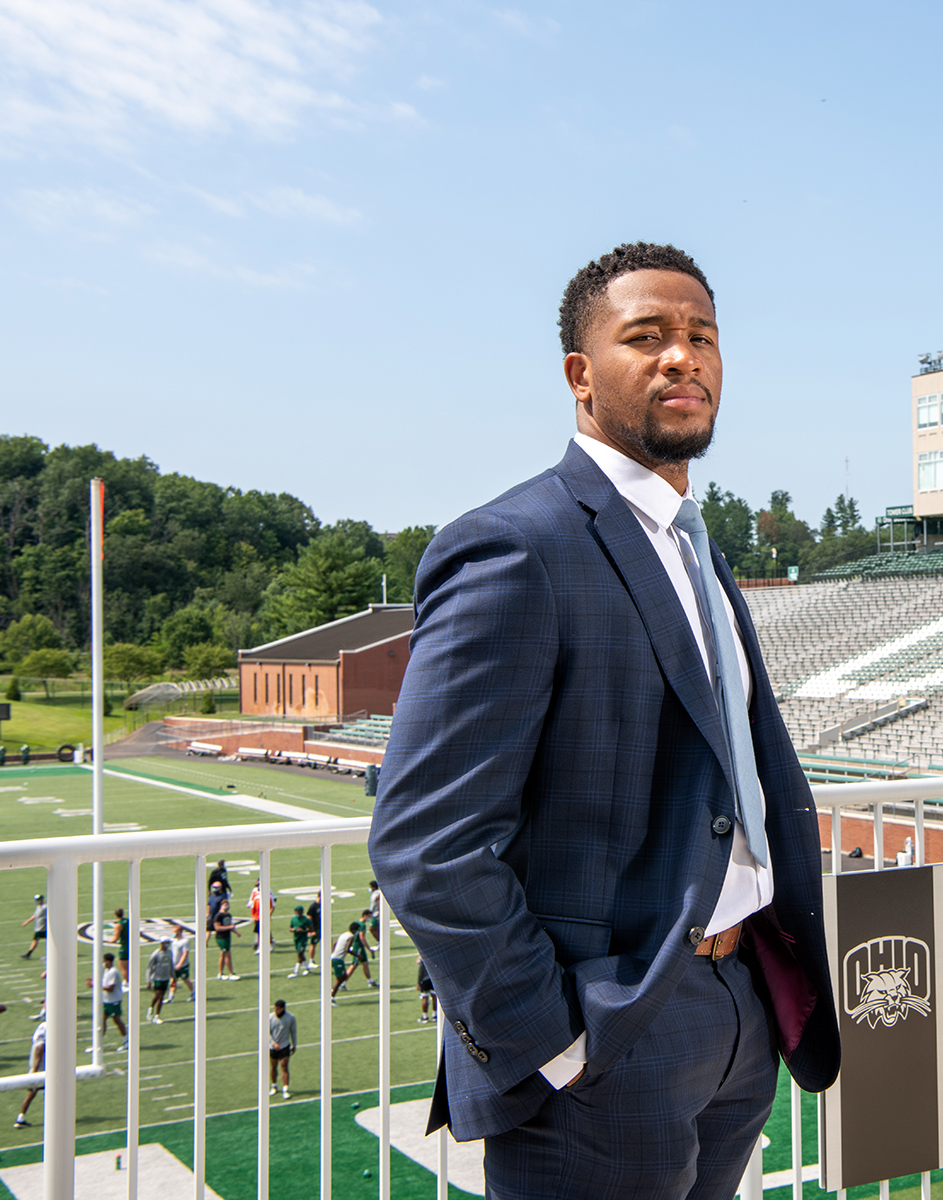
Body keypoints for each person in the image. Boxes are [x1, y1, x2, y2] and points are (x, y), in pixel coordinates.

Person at [369, 243, 839, 1200]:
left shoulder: (695, 548)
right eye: (648, 337)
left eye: (701, 336)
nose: (683, 357)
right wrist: (556, 1041)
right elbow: (425, 842)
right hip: (614, 1029)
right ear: (581, 376)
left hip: (738, 1004)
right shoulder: (515, 546)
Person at [15, 1014, 47, 1128]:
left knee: (32, 1094)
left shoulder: (41, 1027)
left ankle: (21, 1117)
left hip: (37, 1067)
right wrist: (35, 1070)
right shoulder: (48, 1029)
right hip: (41, 1069)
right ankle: (53, 1118)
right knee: (51, 1092)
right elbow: (41, 1047)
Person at [326, 922, 361, 1005]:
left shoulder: (344, 934)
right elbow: (347, 949)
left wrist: (335, 952)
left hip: (334, 957)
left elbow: (334, 944)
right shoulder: (351, 937)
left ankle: (332, 992)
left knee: (344, 976)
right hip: (338, 959)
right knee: (340, 979)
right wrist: (357, 955)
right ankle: (330, 997)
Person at [268, 999, 296, 1099]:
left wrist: (294, 1044)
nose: (275, 1010)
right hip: (272, 1047)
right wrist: (273, 1043)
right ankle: (274, 1086)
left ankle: (285, 1089)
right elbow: (266, 1032)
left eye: (277, 1009)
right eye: (274, 1008)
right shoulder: (270, 1018)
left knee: (284, 1066)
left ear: (283, 1009)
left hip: (284, 1046)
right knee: (273, 1066)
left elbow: (293, 1032)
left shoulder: (290, 1018)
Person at [99, 954, 128, 1050]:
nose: (103, 963)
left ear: (108, 961)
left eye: (104, 961)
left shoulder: (113, 972)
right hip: (107, 1001)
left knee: (117, 1020)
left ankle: (126, 1040)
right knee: (102, 1020)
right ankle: (98, 1043)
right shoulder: (107, 971)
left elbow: (110, 988)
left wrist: (96, 986)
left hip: (114, 1001)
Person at [211, 891, 239, 981]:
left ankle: (220, 973)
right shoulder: (218, 916)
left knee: (223, 955)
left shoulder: (228, 915)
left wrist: (236, 932)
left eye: (227, 903)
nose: (227, 905)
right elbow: (217, 928)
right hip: (221, 937)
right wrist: (229, 927)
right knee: (227, 955)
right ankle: (231, 973)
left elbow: (230, 925)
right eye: (225, 903)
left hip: (227, 937)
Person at [146, 939, 175, 1023]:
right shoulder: (156, 954)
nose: (168, 944)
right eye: (166, 943)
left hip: (165, 978)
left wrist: (173, 977)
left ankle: (157, 1016)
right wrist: (148, 980)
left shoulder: (169, 952)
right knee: (157, 995)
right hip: (157, 978)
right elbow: (149, 967)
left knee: (161, 996)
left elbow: (171, 965)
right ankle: (151, 1009)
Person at [168, 922, 196, 1002]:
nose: (173, 933)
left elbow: (185, 953)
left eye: (175, 931)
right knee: (173, 981)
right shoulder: (173, 941)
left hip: (182, 965)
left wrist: (180, 964)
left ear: (179, 932)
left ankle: (192, 994)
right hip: (173, 965)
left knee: (185, 980)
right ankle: (171, 997)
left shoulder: (184, 941)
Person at [353, 909, 377, 987]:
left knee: (365, 963)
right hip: (358, 947)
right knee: (354, 965)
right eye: (369, 916)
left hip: (357, 946)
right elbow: (362, 938)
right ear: (365, 915)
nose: (369, 918)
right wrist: (369, 949)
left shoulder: (356, 922)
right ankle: (342, 982)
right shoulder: (362, 925)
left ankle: (369, 980)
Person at [18, 894, 47, 959]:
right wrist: (26, 922)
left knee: (37, 940)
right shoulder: (38, 907)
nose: (36, 901)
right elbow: (34, 916)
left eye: (38, 900)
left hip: (43, 928)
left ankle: (28, 954)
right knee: (36, 940)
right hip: (39, 927)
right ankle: (28, 954)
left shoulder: (45, 907)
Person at [288, 905, 313, 977]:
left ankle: (296, 971)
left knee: (300, 953)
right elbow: (290, 928)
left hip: (303, 939)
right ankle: (307, 969)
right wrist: (294, 930)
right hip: (296, 938)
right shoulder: (293, 919)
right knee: (300, 954)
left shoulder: (306, 920)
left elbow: (311, 929)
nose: (296, 913)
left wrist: (304, 931)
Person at [416, 955, 437, 1024]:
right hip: (433, 979)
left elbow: (420, 972)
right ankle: (435, 1015)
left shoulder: (423, 959)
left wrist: (418, 982)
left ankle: (425, 1016)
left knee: (424, 998)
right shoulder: (433, 958)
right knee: (434, 997)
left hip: (425, 980)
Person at [305, 894, 322, 969]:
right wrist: (309, 930)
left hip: (322, 928)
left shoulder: (323, 904)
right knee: (313, 944)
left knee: (327, 942)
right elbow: (309, 918)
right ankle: (311, 961)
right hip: (315, 929)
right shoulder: (313, 906)